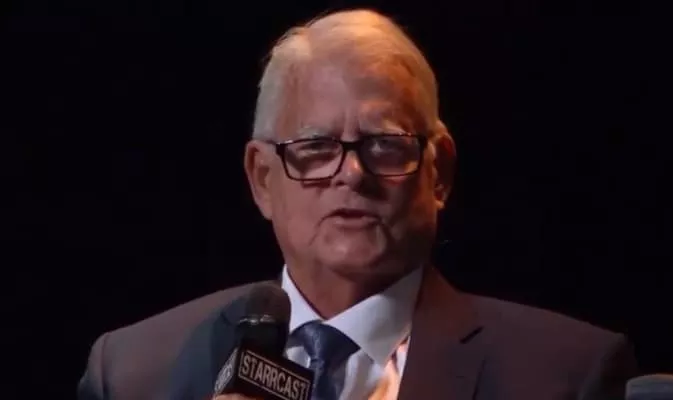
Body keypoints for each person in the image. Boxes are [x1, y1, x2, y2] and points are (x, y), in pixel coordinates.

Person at [77, 8, 638, 400]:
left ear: (439, 172)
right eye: (316, 148)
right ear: (263, 179)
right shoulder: (135, 373)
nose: (351, 174)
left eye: (385, 145)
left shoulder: (565, 376)